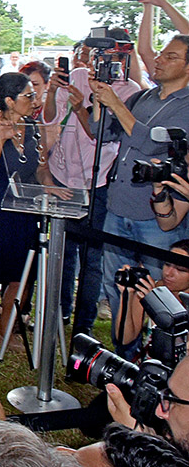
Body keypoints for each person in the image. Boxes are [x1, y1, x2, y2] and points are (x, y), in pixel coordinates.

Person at [90, 35, 189, 326]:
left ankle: (155, 356)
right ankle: (124, 354)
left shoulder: (185, 106)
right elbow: (102, 132)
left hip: (154, 215)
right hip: (118, 207)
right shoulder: (143, 97)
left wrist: (117, 105)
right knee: (117, 284)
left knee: (160, 294)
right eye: (161, 54)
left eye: (170, 57)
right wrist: (100, 100)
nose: (158, 60)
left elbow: (155, 146)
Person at [44, 41, 141, 337]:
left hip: (96, 183)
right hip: (63, 174)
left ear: (123, 57)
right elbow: (49, 118)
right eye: (98, 54)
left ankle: (82, 327)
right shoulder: (78, 76)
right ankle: (57, 316)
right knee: (62, 251)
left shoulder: (130, 90)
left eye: (111, 55)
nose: (101, 60)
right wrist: (51, 91)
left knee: (92, 259)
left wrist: (80, 106)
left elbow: (104, 137)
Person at [0, 73, 49, 337]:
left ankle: (7, 335)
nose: (35, 100)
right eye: (29, 95)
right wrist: (1, 140)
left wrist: (50, 187)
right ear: (10, 101)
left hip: (24, 211)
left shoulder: (33, 128)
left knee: (20, 277)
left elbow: (38, 170)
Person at [111, 242, 189, 361]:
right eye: (167, 264)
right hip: (149, 366)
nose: (169, 273)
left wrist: (156, 303)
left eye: (180, 269)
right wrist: (127, 295)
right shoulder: (152, 289)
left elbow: (179, 347)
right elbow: (125, 339)